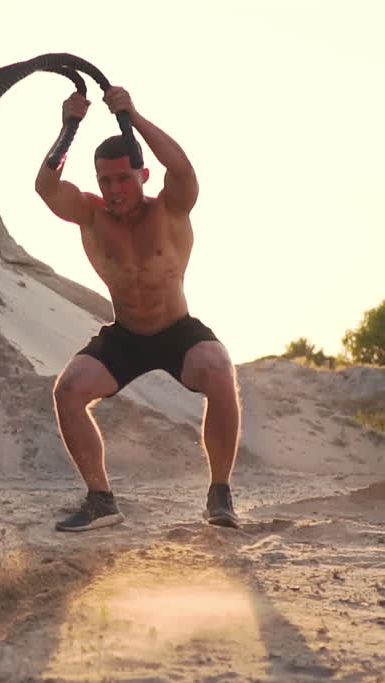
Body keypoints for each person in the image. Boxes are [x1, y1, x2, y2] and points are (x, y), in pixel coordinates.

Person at [34, 87, 242, 531]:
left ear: (143, 175)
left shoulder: (170, 208)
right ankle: (100, 500)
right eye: (105, 180)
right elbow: (46, 187)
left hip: (177, 331)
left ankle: (219, 494)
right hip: (125, 335)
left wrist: (134, 115)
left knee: (218, 370)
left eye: (124, 178)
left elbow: (181, 168)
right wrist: (69, 127)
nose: (114, 189)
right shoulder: (90, 215)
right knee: (68, 391)